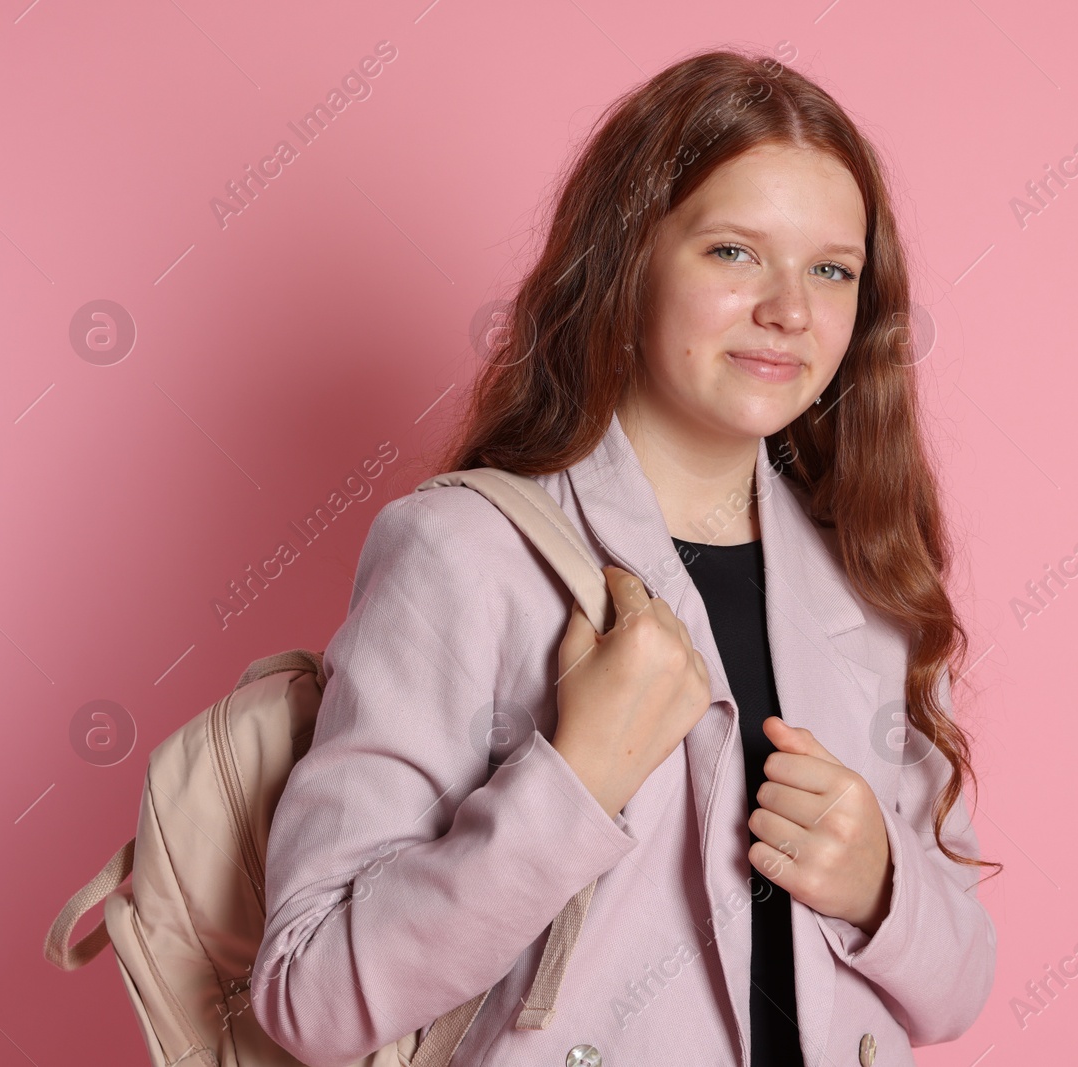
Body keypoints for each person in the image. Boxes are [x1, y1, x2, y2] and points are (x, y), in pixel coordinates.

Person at [251, 47, 999, 1067]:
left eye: (831, 268)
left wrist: (880, 882)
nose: (789, 308)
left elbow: (958, 986)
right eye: (733, 252)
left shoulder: (873, 585)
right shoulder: (466, 553)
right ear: (629, 261)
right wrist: (576, 774)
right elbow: (310, 993)